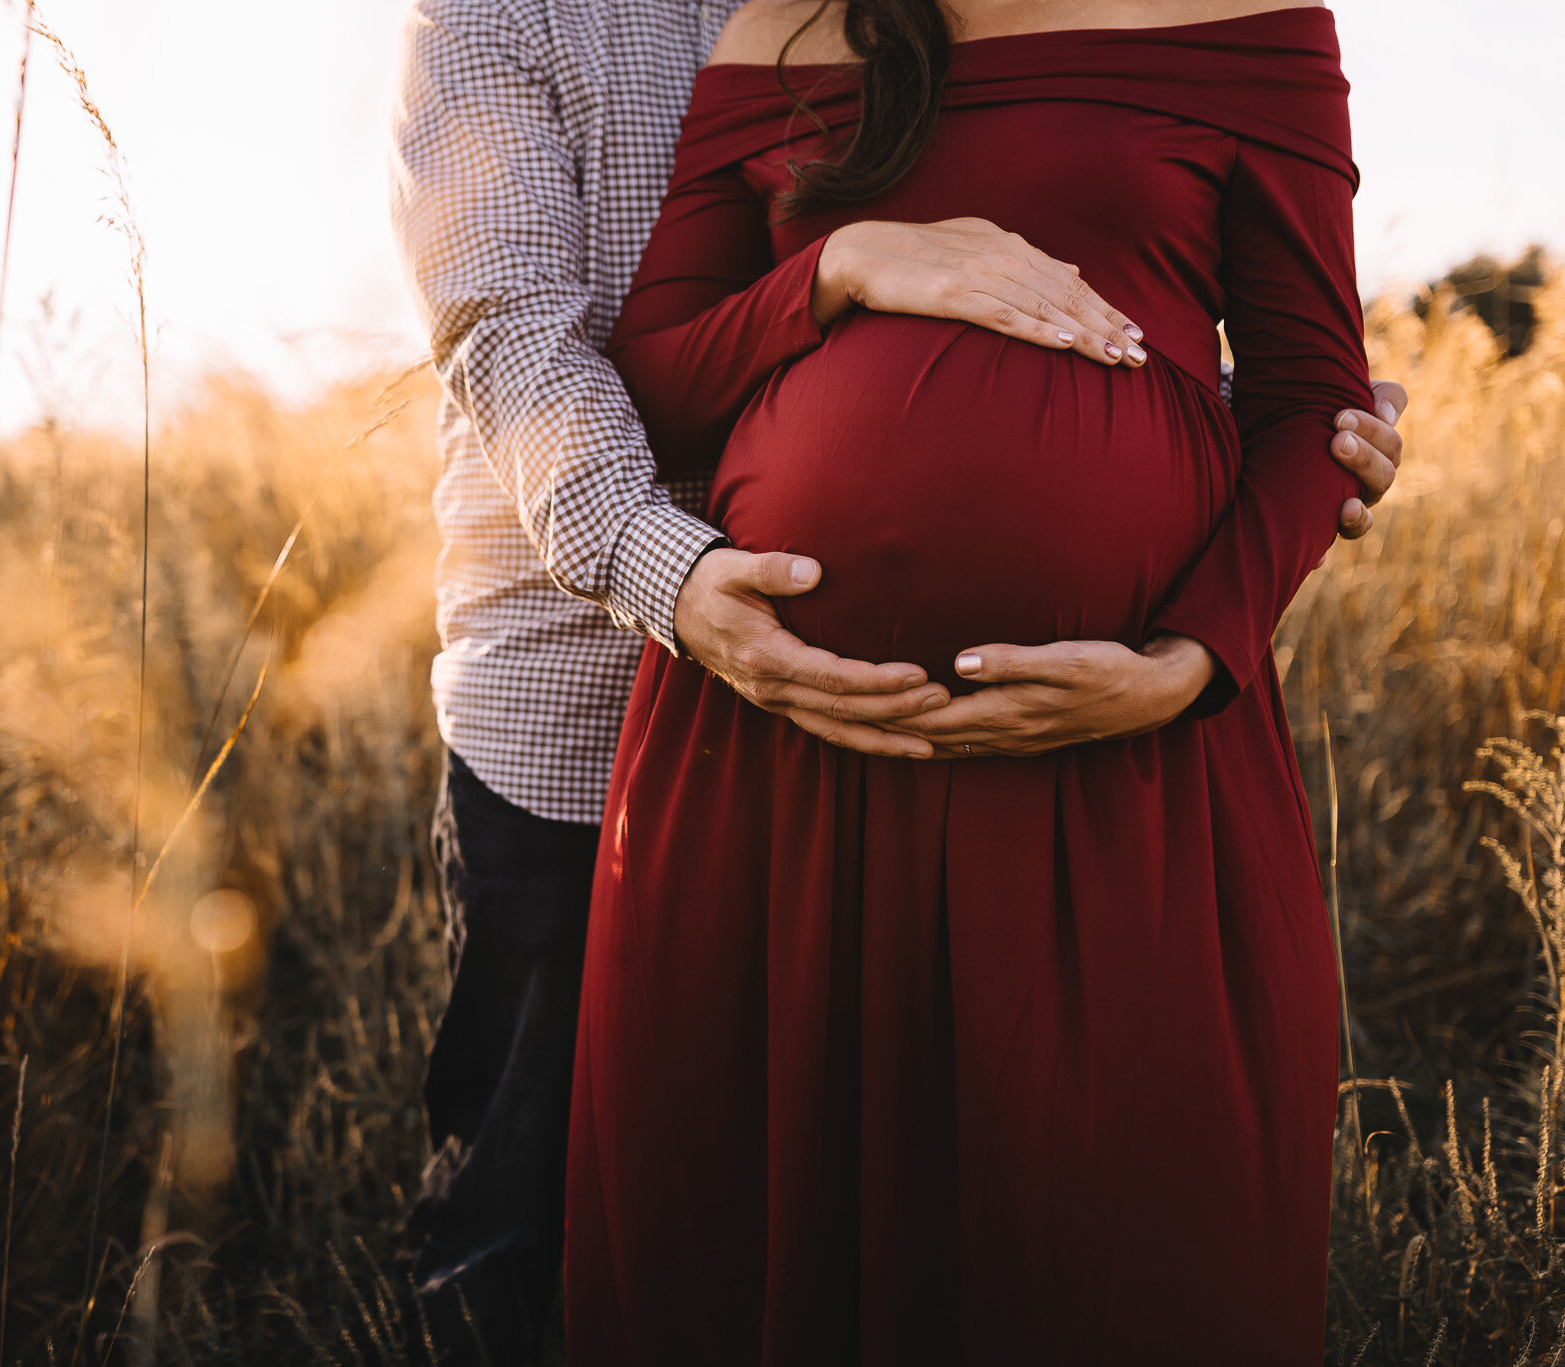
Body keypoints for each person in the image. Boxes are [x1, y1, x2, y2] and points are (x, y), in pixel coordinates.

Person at [388, 0, 1408, 1361]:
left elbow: (1239, 361)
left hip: (1095, 753)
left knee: (1084, 1237)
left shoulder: (1217, 24)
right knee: (584, 1227)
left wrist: (1204, 604)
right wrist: (841, 279)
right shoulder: (639, 21)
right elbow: (522, 338)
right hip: (655, 717)